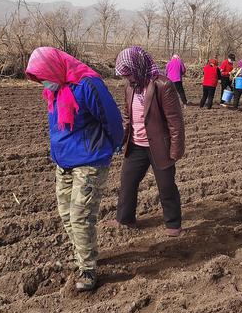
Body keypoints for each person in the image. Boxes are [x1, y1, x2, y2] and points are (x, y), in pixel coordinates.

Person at [25, 47, 124, 291]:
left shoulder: (87, 85)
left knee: (80, 216)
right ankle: (84, 254)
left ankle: (88, 269)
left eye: (43, 76)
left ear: (55, 68)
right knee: (65, 214)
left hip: (89, 161)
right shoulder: (55, 89)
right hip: (64, 162)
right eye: (39, 79)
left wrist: (112, 146)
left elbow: (111, 118)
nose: (43, 83)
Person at [111, 46, 185, 236]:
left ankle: (173, 224)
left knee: (166, 186)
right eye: (124, 75)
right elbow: (128, 116)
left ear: (138, 66)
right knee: (127, 183)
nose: (127, 78)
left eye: (129, 73)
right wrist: (122, 139)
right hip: (135, 145)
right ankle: (125, 219)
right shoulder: (129, 87)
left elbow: (175, 121)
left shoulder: (163, 85)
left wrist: (175, 150)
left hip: (159, 146)